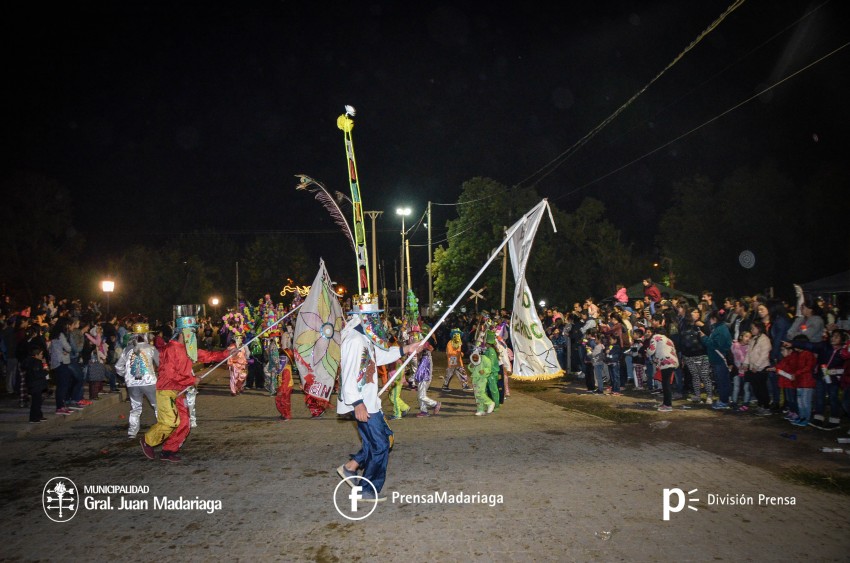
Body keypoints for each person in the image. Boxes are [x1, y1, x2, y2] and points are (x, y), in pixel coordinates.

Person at [335, 294, 421, 501]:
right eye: (373, 315)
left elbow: (378, 357)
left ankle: (351, 467)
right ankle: (367, 490)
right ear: (362, 317)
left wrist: (405, 349)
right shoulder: (355, 341)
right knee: (381, 445)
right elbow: (347, 376)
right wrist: (357, 404)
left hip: (371, 403)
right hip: (364, 404)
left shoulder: (365, 338)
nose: (377, 320)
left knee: (383, 440)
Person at [141, 316, 231, 462]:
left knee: (184, 423)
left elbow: (207, 356)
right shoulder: (171, 349)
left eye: (194, 331)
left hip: (179, 392)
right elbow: (170, 374)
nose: (194, 335)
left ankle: (168, 450)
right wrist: (191, 380)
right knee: (171, 421)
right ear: (182, 332)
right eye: (191, 331)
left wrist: (226, 354)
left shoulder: (190, 349)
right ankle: (148, 441)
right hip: (166, 390)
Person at [115, 323, 159, 439]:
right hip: (149, 382)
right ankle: (162, 427)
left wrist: (126, 375)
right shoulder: (151, 348)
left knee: (135, 407)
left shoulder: (127, 350)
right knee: (157, 405)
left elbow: (118, 367)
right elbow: (161, 364)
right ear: (146, 335)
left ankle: (132, 432)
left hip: (132, 384)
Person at [646, 314, 679, 411]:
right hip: (672, 361)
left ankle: (667, 405)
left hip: (666, 362)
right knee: (666, 383)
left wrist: (647, 352)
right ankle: (666, 403)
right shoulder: (668, 339)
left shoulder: (655, 337)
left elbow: (651, 350)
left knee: (666, 384)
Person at [702, 311, 733, 409]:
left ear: (714, 319)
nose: (709, 321)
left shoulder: (721, 329)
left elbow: (716, 345)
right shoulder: (719, 328)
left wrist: (704, 338)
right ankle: (724, 399)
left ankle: (724, 401)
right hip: (717, 360)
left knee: (722, 381)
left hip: (720, 360)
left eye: (710, 319)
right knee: (721, 381)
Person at [22, 346, 49, 423]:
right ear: (36, 355)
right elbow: (38, 374)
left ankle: (39, 415)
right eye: (41, 354)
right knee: (36, 402)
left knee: (38, 401)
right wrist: (46, 371)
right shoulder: (36, 362)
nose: (42, 356)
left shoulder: (31, 361)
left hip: (34, 385)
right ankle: (33, 418)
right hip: (36, 385)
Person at [468, 348, 495, 415]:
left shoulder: (485, 359)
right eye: (473, 357)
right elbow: (471, 369)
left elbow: (489, 368)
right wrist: (471, 366)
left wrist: (484, 371)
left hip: (482, 379)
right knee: (477, 395)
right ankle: (480, 409)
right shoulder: (473, 360)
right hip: (475, 378)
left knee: (480, 392)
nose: (474, 359)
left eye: (476, 357)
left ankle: (490, 403)